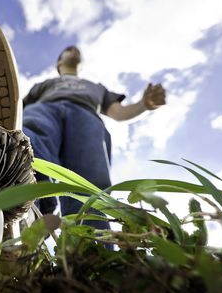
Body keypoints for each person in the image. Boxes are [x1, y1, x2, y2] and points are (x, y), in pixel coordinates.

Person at [22, 45, 166, 229]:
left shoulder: (97, 88)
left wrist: (144, 105)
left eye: (76, 50)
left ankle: (89, 243)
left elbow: (119, 113)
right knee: (30, 143)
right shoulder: (44, 85)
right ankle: (25, 212)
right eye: (68, 49)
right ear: (59, 62)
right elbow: (17, 108)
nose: (74, 49)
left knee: (89, 182)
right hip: (46, 109)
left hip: (86, 116)